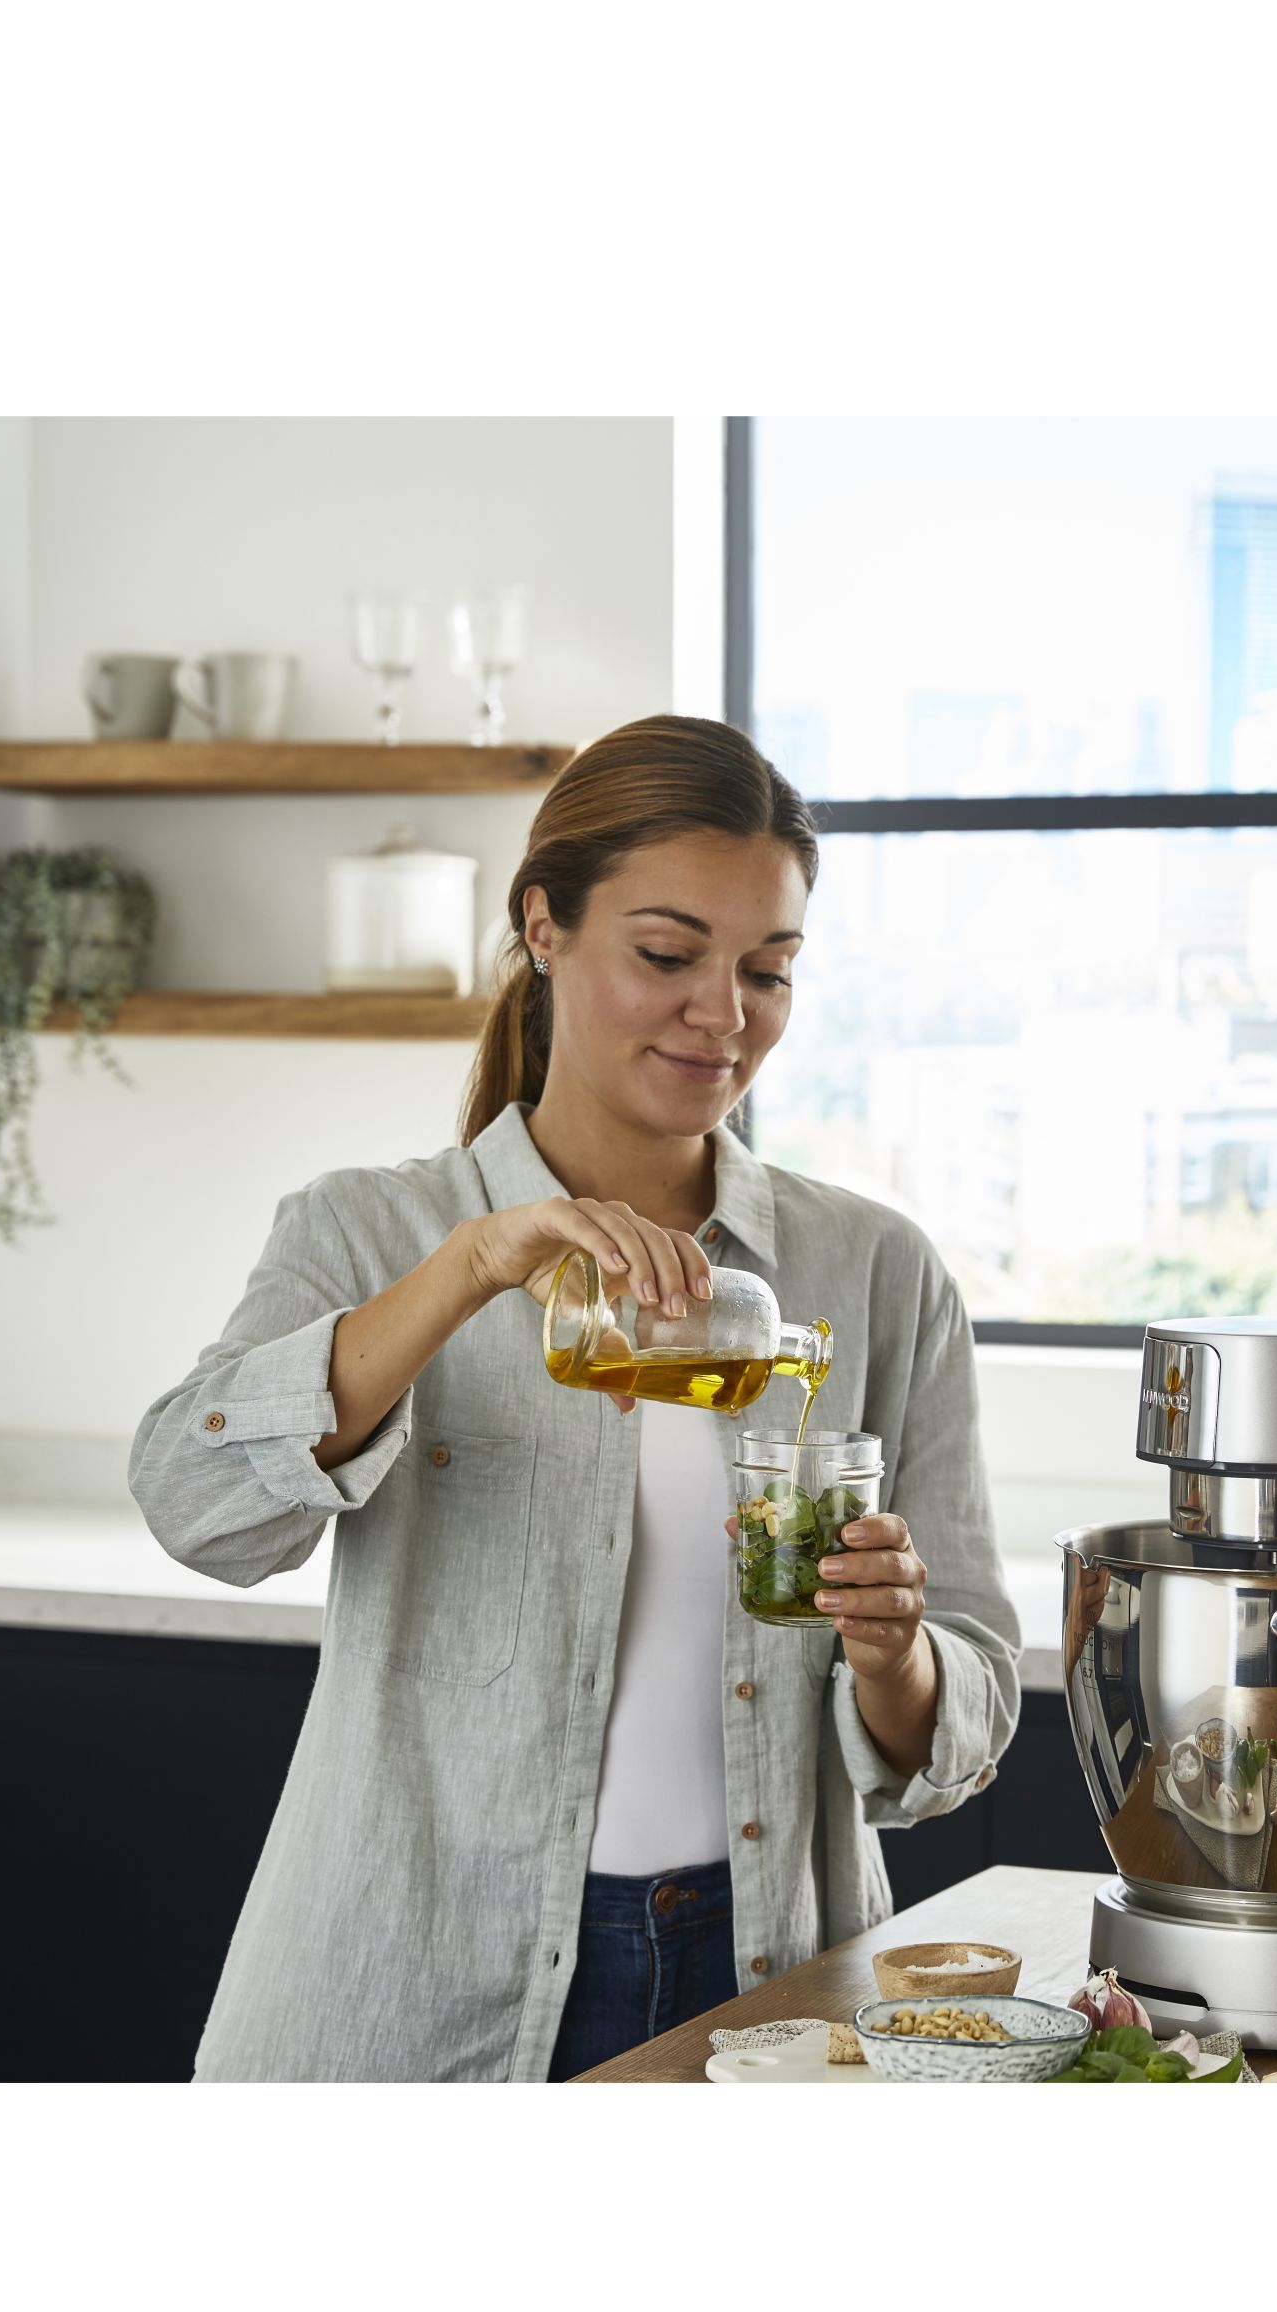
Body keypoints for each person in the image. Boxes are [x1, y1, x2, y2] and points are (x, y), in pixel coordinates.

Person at [129, 714, 1021, 2081]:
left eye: (768, 970)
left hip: (767, 1987)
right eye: (668, 956)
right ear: (542, 925)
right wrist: (471, 1268)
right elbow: (194, 1510)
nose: (724, 1014)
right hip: (414, 1988)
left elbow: (964, 1717)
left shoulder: (875, 1271)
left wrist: (896, 1657)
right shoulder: (369, 1232)